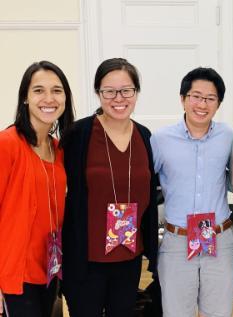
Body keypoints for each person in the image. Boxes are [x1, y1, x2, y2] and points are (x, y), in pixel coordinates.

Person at [61, 58, 158, 317]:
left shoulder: (146, 136)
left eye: (127, 90)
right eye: (109, 91)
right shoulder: (78, 134)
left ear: (136, 93)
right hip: (85, 260)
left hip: (129, 258)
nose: (119, 98)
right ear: (98, 93)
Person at [151, 67, 233, 317]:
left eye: (210, 98)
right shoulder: (160, 139)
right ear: (183, 98)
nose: (202, 104)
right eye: (196, 96)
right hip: (177, 240)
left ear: (218, 103)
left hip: (219, 239)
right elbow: (144, 184)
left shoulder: (229, 137)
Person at [0, 61, 75, 316]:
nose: (48, 98)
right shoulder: (7, 144)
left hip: (50, 271)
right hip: (15, 276)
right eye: (38, 90)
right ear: (25, 98)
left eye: (56, 90)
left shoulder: (58, 149)